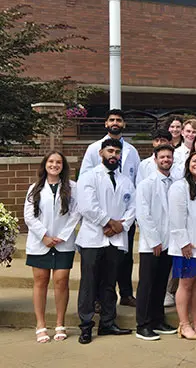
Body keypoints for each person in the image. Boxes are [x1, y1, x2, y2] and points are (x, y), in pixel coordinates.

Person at [76, 138, 136, 344]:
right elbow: (86, 206)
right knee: (89, 284)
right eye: (110, 151)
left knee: (110, 284)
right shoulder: (89, 177)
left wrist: (122, 225)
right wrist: (109, 222)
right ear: (101, 153)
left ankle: (108, 323)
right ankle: (85, 326)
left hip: (116, 239)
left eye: (117, 153)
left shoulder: (126, 181)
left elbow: (133, 207)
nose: (114, 155)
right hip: (93, 238)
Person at [79, 109, 141, 307]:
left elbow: (136, 182)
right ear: (106, 123)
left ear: (123, 124)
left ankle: (126, 294)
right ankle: (98, 300)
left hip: (124, 216)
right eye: (112, 120)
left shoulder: (132, 151)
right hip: (99, 218)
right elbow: (85, 181)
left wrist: (122, 222)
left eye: (119, 120)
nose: (115, 123)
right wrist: (107, 221)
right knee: (99, 264)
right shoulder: (93, 148)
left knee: (125, 257)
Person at [24, 151, 81, 343]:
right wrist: (45, 236)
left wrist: (61, 236)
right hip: (40, 242)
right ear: (45, 164)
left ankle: (59, 323)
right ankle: (40, 325)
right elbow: (29, 216)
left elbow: (76, 213)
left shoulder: (73, 187)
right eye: (51, 161)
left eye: (58, 162)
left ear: (63, 166)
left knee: (61, 281)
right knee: (40, 281)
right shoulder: (35, 188)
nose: (54, 165)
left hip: (63, 243)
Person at [168, 151, 196, 341]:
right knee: (186, 283)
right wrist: (183, 242)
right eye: (194, 161)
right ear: (188, 164)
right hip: (187, 244)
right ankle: (184, 324)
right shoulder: (180, 187)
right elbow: (177, 217)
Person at [135, 144, 177, 341]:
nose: (166, 160)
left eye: (169, 157)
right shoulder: (147, 184)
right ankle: (142, 324)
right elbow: (143, 214)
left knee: (161, 283)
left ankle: (158, 319)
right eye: (162, 157)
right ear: (155, 159)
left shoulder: (175, 182)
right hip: (152, 243)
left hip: (169, 242)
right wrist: (154, 240)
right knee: (147, 284)